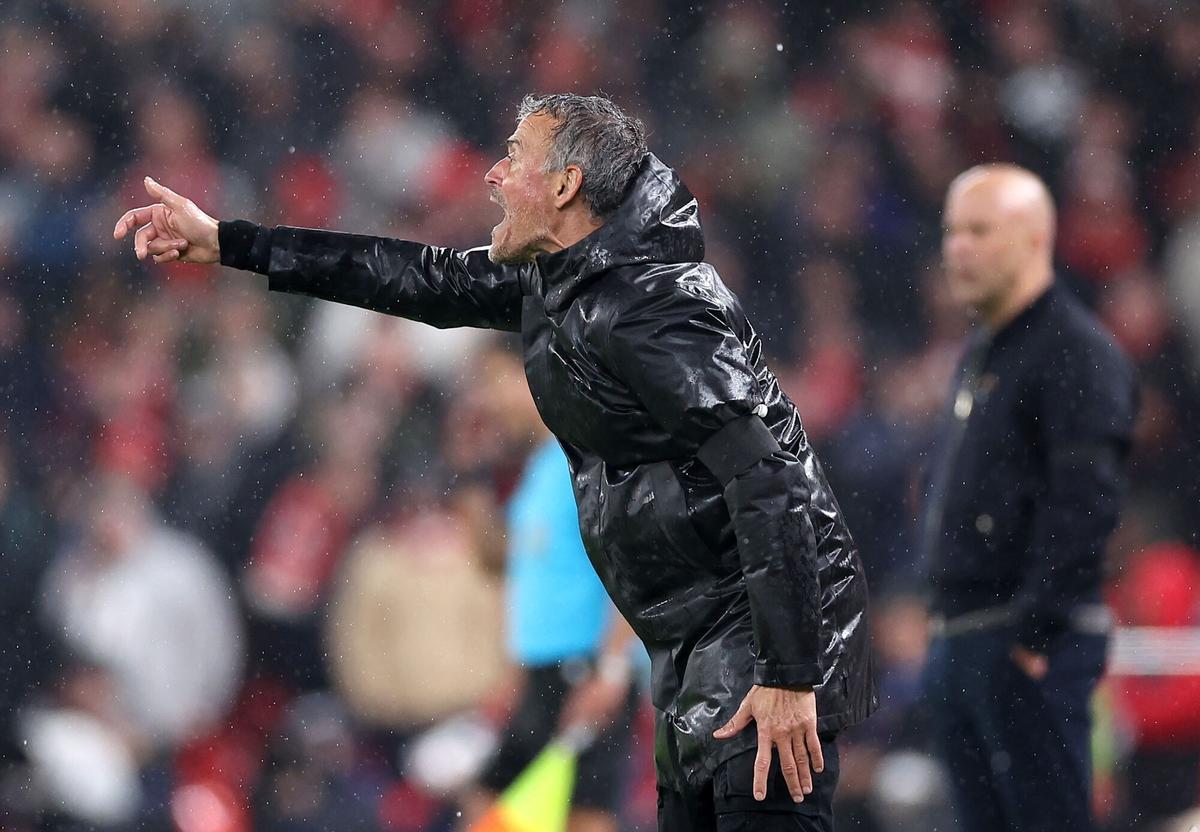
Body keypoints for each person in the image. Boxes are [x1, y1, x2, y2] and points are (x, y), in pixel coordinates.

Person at [114, 93, 876, 830]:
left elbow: (767, 473)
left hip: (753, 650)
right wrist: (230, 243)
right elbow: (411, 275)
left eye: (514, 156)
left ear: (566, 184)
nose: (491, 173)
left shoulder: (657, 303)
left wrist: (787, 670)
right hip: (690, 650)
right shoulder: (564, 282)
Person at [919, 164, 1138, 831]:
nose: (958, 247)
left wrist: (1039, 632)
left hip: (1020, 638)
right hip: (965, 636)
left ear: (1035, 239)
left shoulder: (1075, 351)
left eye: (980, 231)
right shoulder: (985, 350)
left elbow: (1087, 503)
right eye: (952, 230)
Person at [458, 350, 641, 832]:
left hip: (585, 671)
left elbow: (633, 563)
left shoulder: (583, 458)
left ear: (531, 375)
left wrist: (612, 667)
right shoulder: (541, 466)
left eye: (495, 383)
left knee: (583, 819)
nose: (487, 401)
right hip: (543, 677)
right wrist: (473, 477)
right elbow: (499, 559)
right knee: (494, 808)